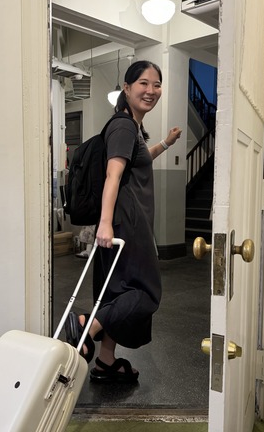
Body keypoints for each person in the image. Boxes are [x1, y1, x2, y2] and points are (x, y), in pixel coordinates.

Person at [65, 60, 182, 383]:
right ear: (127, 88)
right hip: (127, 224)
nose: (151, 90)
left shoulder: (131, 127)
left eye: (156, 84)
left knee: (116, 293)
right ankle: (87, 326)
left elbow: (138, 160)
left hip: (123, 222)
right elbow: (113, 175)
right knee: (145, 292)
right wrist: (104, 224)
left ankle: (105, 361)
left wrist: (166, 143)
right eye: (143, 83)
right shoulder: (123, 126)